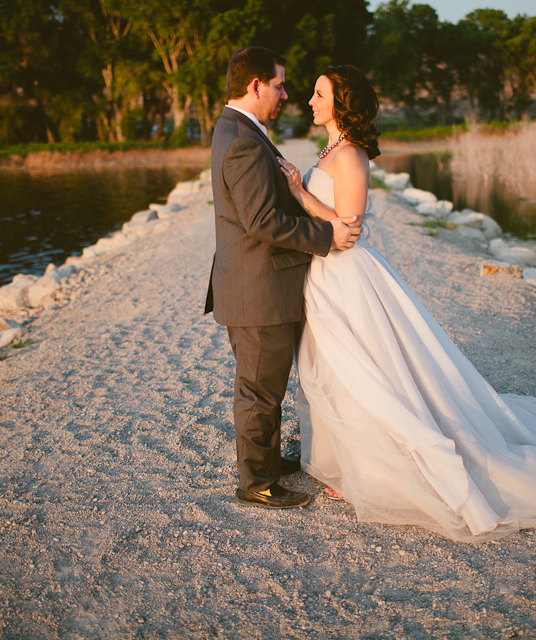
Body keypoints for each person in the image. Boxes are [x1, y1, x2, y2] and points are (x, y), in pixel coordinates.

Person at [277, 65, 536, 542]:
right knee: (338, 370)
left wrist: (299, 195)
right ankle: (350, 462)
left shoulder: (350, 155)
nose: (310, 101)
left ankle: (377, 469)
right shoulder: (330, 149)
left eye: (319, 94)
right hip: (325, 276)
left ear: (342, 102)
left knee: (366, 372)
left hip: (345, 273)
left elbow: (347, 231)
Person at [205, 47, 362, 510]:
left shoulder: (241, 131)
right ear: (255, 86)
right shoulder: (242, 140)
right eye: (279, 85)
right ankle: (257, 483)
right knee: (259, 389)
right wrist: (327, 234)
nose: (286, 94)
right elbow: (262, 221)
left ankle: (269, 460)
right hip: (257, 287)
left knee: (266, 383)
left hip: (257, 282)